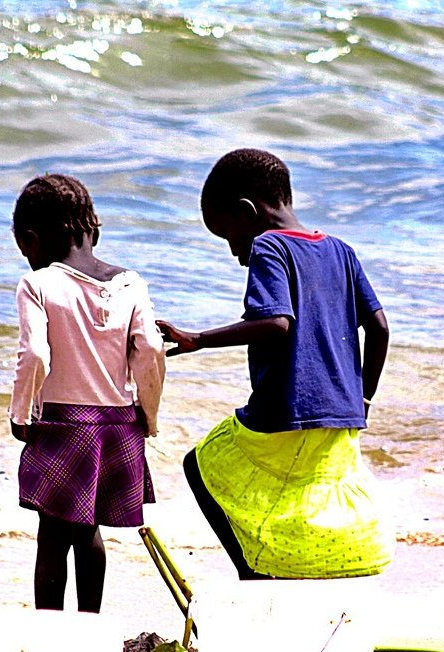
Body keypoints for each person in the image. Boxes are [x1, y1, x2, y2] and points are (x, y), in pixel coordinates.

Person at [157, 148, 394, 580]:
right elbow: (379, 329)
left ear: (247, 213)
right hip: (342, 413)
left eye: (228, 234)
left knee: (202, 463)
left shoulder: (269, 247)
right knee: (304, 493)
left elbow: (275, 323)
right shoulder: (341, 250)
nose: (234, 252)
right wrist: (363, 397)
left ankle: (253, 573)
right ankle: (297, 565)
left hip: (284, 410)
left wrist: (198, 340)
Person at [9, 173, 165, 612]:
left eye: (25, 250)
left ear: (31, 238)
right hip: (117, 424)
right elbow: (150, 350)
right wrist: (148, 416)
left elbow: (35, 355)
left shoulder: (38, 285)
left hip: (63, 424)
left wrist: (21, 414)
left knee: (53, 536)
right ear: (93, 228)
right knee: (88, 530)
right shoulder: (131, 283)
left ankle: (50, 633)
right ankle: (91, 627)